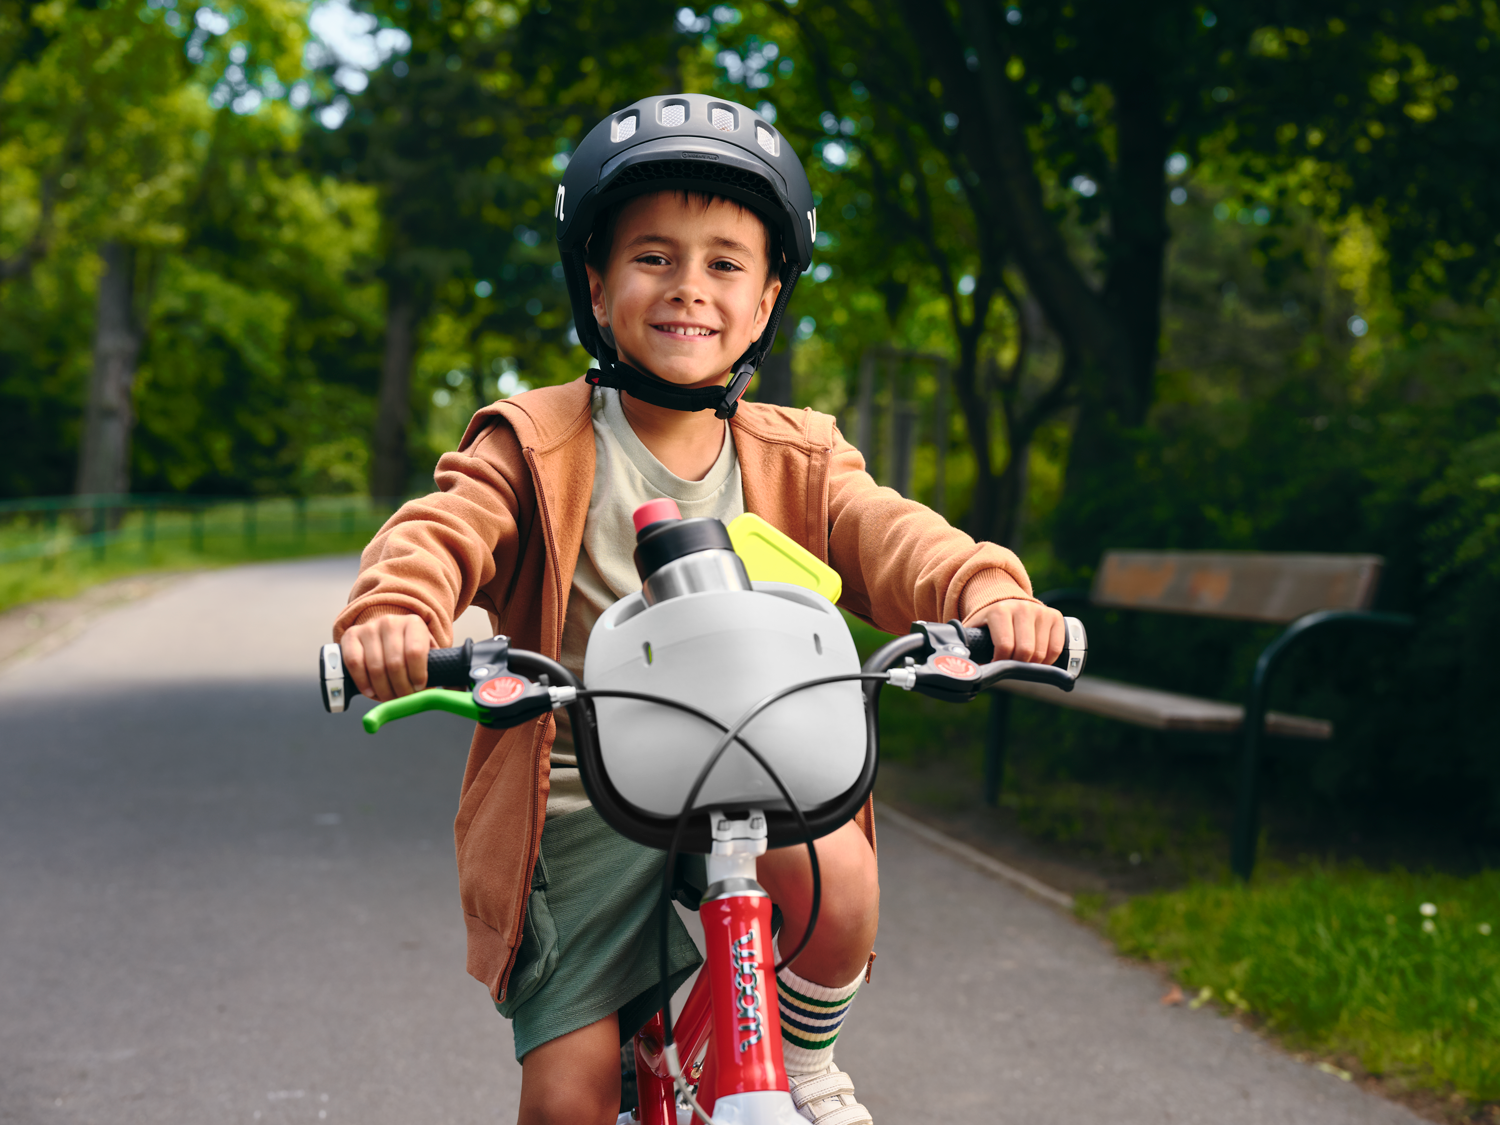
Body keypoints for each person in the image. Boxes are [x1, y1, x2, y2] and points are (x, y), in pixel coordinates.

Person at [333, 92, 1064, 1125]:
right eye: (653, 257)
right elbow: (442, 529)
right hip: (585, 803)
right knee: (568, 1100)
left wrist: (988, 591)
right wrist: (397, 611)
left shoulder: (798, 455)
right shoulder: (536, 441)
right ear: (596, 283)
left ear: (765, 301)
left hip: (759, 776)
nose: (689, 288)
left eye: (725, 263)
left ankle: (804, 1064)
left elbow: (896, 535)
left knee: (842, 882)